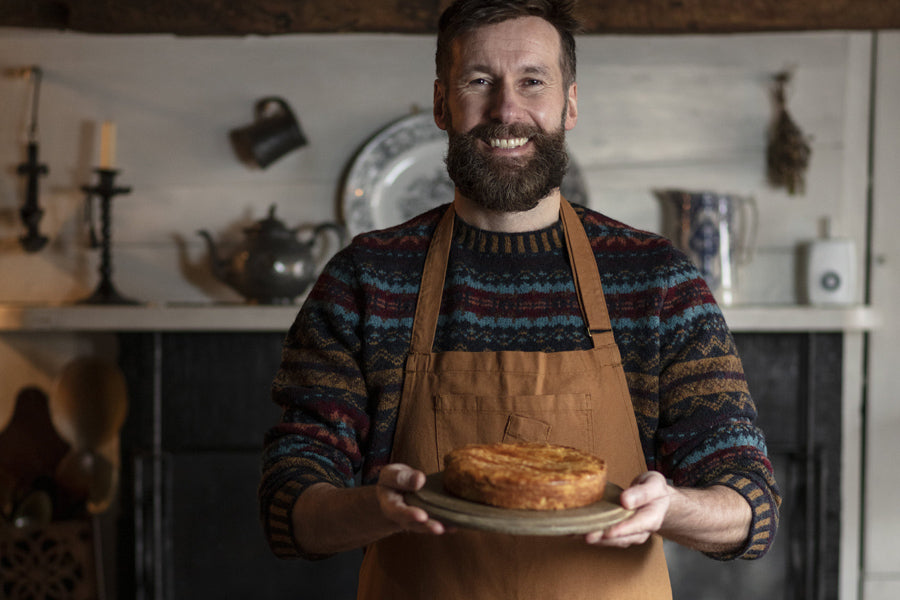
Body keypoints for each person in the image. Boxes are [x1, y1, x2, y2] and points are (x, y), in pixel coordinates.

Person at [259, 0, 780, 597]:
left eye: (532, 81)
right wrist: (380, 506)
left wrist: (671, 507)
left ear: (571, 103)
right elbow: (291, 502)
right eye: (479, 81)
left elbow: (748, 503)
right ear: (440, 103)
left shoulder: (654, 278)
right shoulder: (367, 277)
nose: (507, 109)